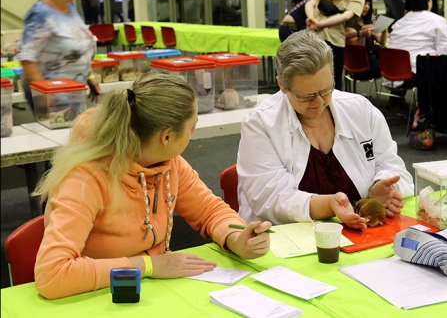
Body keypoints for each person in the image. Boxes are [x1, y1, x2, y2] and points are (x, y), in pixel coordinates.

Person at [32, 72, 272, 299]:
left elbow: (210, 211)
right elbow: (52, 274)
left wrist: (236, 237)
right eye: (192, 126)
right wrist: (147, 265)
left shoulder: (169, 163)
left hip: (151, 291)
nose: (194, 132)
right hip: (100, 298)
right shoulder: (85, 179)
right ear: (166, 137)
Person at [236, 30, 413, 231]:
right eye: (307, 96)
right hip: (286, 240)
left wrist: (380, 186)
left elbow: (394, 168)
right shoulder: (261, 123)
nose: (319, 102)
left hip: (358, 233)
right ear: (282, 86)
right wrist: (330, 205)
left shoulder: (360, 109)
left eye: (326, 89)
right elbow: (270, 200)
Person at [17, 0, 101, 113]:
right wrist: (44, 96)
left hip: (73, 91)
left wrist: (89, 75)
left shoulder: (70, 8)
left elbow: (79, 45)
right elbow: (27, 59)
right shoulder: (40, 15)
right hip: (55, 97)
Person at [386, 0, 447, 116]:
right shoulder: (437, 20)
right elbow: (445, 52)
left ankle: (396, 102)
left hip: (392, 72)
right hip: (418, 75)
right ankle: (436, 111)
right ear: (429, 2)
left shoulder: (399, 23)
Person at [305, 0, 375, 91]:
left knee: (312, 75)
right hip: (333, 40)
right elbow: (346, 16)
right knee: (334, 80)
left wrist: (312, 19)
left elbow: (309, 3)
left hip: (312, 37)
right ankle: (332, 108)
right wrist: (320, 24)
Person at [345, 0, 388, 81]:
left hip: (372, 61)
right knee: (394, 65)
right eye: (364, 3)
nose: (367, 7)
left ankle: (396, 91)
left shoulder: (366, 22)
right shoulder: (350, 24)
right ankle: (397, 91)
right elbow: (358, 53)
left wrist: (384, 28)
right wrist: (363, 33)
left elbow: (382, 41)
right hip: (361, 65)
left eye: (369, 4)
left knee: (395, 63)